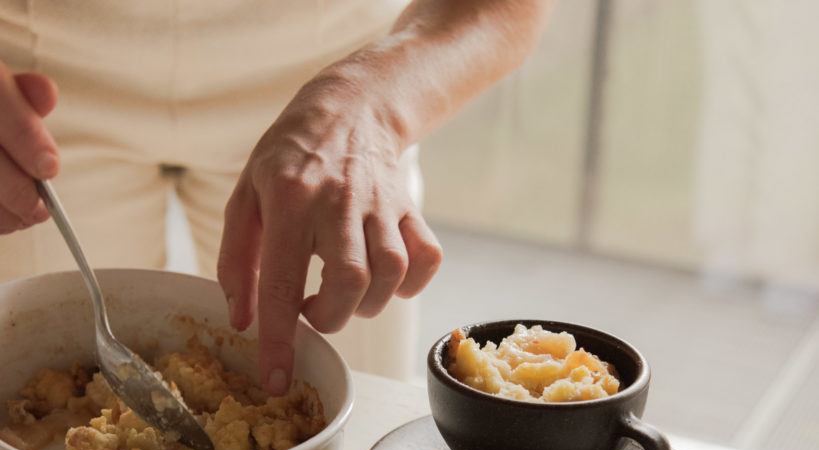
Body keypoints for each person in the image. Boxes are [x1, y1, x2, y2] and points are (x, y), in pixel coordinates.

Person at [0, 1, 552, 392]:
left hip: (337, 89)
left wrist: (375, 107)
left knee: (352, 434)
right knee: (28, 405)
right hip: (37, 82)